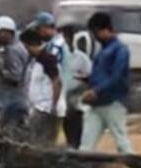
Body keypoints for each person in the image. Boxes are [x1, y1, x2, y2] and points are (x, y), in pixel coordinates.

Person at [79, 11, 134, 154]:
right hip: (97, 104)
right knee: (86, 145)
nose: (95, 37)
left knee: (122, 143)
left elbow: (117, 77)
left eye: (96, 33)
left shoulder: (120, 50)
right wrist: (88, 80)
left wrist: (96, 90)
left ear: (104, 29)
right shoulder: (104, 50)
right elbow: (103, 75)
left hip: (113, 103)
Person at [0, 17, 28, 136]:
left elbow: (15, 77)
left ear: (7, 33)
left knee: (8, 135)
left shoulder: (13, 50)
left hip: (11, 102)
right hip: (15, 100)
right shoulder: (18, 47)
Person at [22, 28, 60, 144]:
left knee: (39, 142)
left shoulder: (47, 59)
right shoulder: (34, 60)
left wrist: (53, 106)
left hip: (44, 108)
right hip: (36, 107)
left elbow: (56, 82)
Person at [56, 25, 89, 149]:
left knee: (75, 127)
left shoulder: (81, 58)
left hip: (74, 99)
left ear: (70, 39)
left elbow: (89, 76)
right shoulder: (55, 57)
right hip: (58, 98)